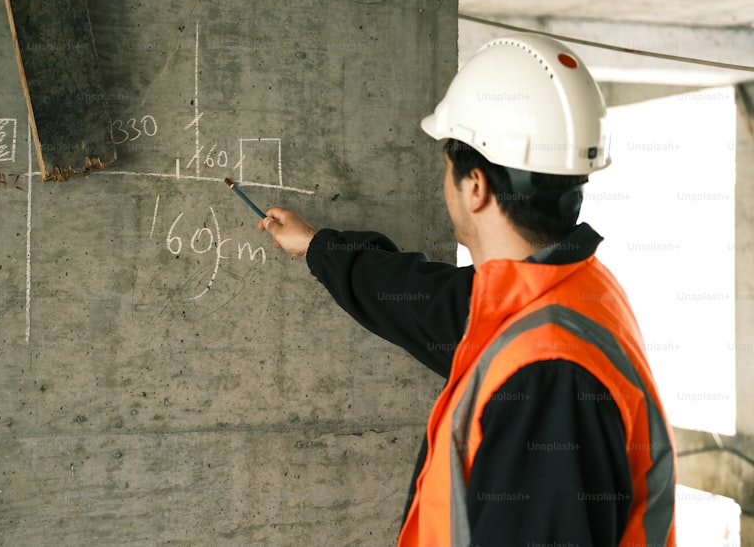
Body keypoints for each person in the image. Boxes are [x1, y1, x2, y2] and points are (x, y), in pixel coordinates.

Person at [258, 34, 677, 547]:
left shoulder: (547, 379)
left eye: (445, 166)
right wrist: (317, 247)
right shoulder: (565, 292)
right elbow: (426, 303)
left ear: (474, 186)